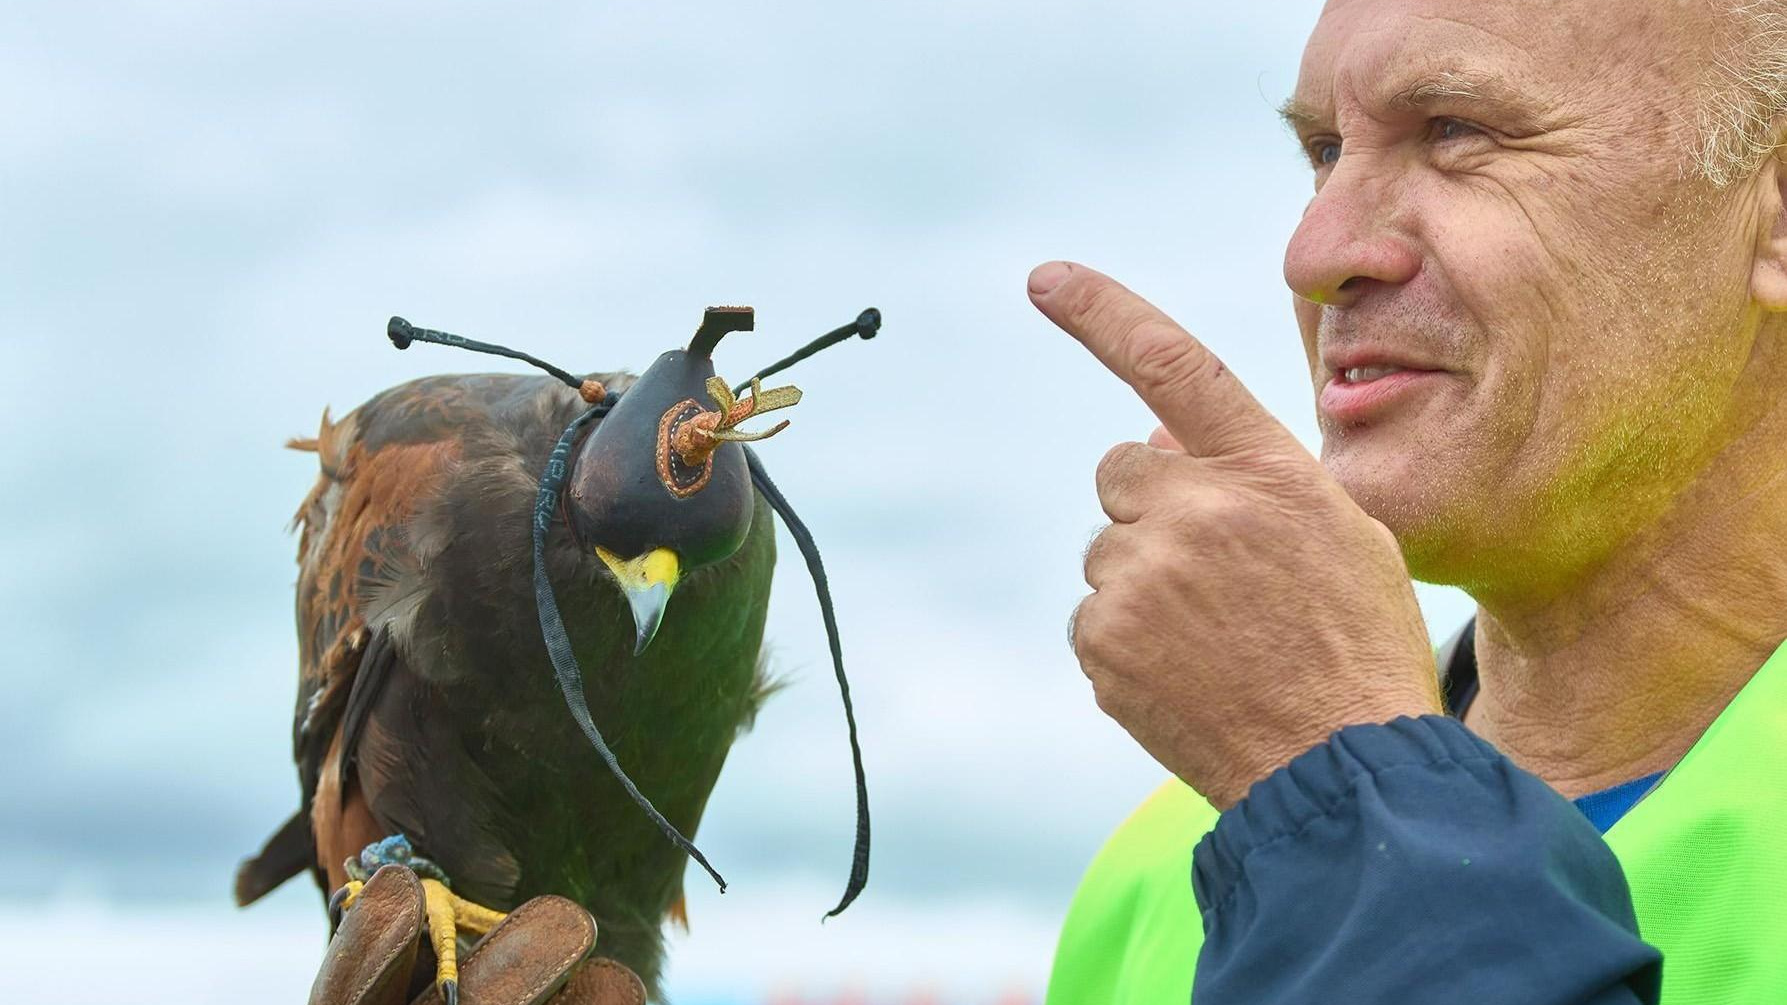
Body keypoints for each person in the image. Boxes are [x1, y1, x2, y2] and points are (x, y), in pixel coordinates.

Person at [1032, 0, 1787, 1001]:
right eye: (1322, 150)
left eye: (1454, 131)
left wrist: (1349, 804)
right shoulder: (1166, 867)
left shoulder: (1291, 796)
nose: (1313, 253)